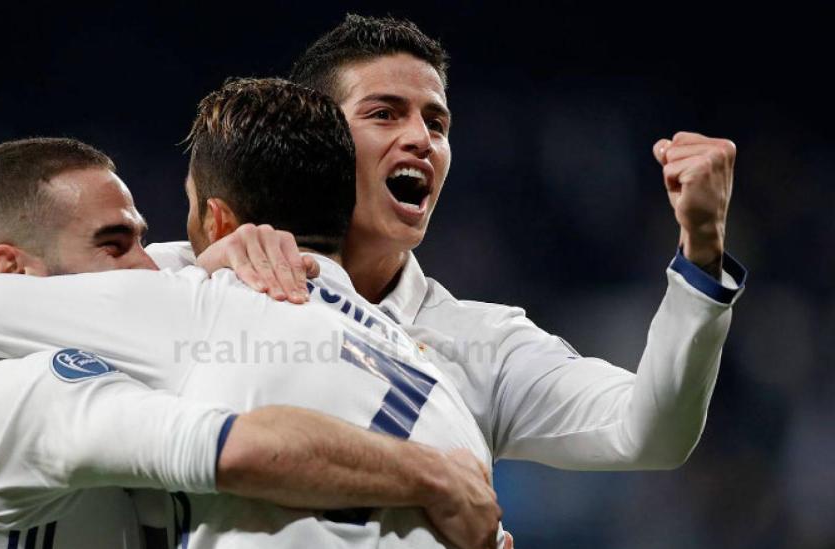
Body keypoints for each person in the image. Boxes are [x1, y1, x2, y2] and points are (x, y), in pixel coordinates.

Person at [0, 82, 529, 549]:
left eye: (147, 242)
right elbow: (239, 449)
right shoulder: (22, 391)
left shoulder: (102, 377)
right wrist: (433, 476)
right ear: (11, 274)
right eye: (114, 244)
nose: (146, 266)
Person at [281, 13, 746, 471]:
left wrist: (701, 248)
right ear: (316, 140)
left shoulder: (485, 350)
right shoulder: (229, 284)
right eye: (384, 114)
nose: (422, 140)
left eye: (437, 125)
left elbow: (649, 434)